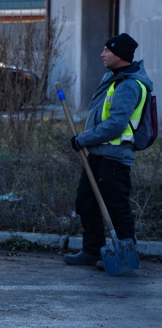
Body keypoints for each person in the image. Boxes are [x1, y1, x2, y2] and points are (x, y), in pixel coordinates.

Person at [64, 33, 154, 269]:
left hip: (115, 158)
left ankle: (125, 255)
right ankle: (91, 250)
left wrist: (83, 138)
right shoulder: (113, 79)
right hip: (98, 154)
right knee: (86, 202)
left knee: (116, 207)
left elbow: (115, 125)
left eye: (107, 50)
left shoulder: (129, 85)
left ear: (120, 55)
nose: (102, 54)